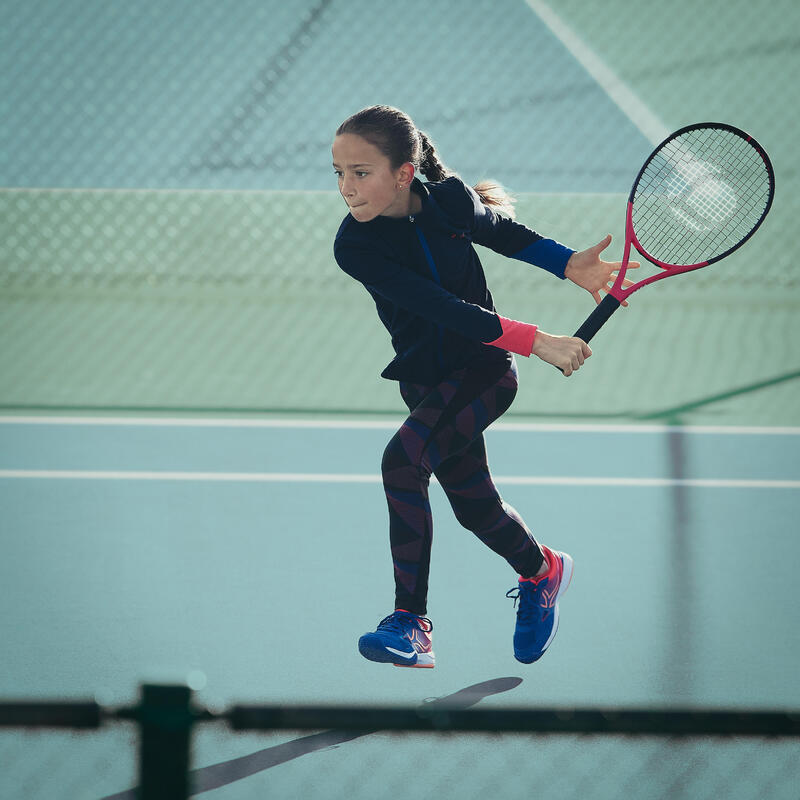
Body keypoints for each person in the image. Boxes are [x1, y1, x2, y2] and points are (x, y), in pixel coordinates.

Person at [332, 105, 631, 668]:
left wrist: (570, 264)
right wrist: (538, 338)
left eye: (360, 172)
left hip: (483, 374)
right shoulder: (356, 246)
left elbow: (501, 232)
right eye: (338, 173)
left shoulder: (448, 200)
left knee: (403, 461)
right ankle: (544, 571)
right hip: (424, 383)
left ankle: (410, 624)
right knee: (475, 507)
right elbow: (439, 307)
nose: (346, 188)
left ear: (403, 172)